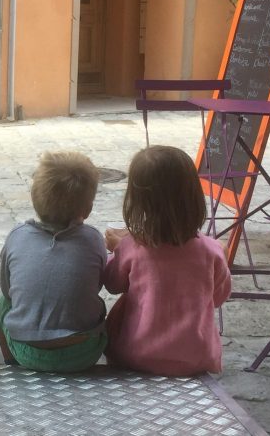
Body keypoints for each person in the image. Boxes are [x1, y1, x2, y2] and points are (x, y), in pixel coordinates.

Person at [104, 145, 231, 377]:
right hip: (195, 357)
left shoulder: (132, 247)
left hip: (136, 354)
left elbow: (113, 285)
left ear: (138, 201)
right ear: (193, 197)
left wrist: (116, 250)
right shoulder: (213, 251)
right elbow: (218, 297)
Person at [0, 151, 107, 373]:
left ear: (35, 199)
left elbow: (7, 292)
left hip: (28, 352)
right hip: (84, 353)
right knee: (100, 306)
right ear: (87, 209)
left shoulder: (17, 236)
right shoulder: (94, 239)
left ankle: (11, 364)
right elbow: (97, 285)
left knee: (0, 304)